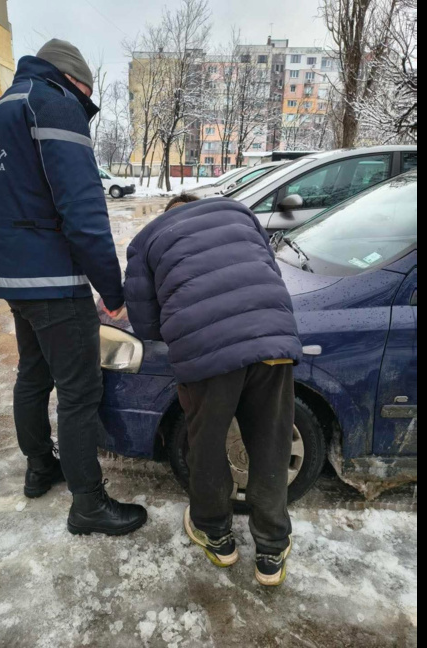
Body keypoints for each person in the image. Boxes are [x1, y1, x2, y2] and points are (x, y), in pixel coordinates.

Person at [0, 39, 146, 537]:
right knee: (80, 390)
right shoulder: (53, 103)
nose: (83, 107)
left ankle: (40, 467)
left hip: (13, 279)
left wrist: (14, 258)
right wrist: (112, 290)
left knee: (33, 373)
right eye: (86, 98)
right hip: (55, 282)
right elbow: (83, 211)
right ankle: (88, 503)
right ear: (72, 79)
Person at [123, 194, 302, 586]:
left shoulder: (147, 240)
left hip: (205, 357)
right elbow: (269, 270)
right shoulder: (239, 214)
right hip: (271, 342)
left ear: (169, 214)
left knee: (205, 444)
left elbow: (145, 322)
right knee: (272, 444)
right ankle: (271, 549)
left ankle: (216, 534)